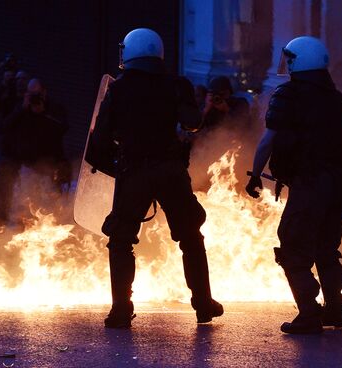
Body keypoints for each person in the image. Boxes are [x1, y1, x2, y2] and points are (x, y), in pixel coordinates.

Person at [88, 28, 223, 328]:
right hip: (170, 171)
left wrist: (114, 168)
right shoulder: (176, 85)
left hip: (135, 171)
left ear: (131, 53)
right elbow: (193, 123)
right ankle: (203, 304)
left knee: (120, 240)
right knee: (190, 236)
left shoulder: (119, 90)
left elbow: (99, 141)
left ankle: (121, 310)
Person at [246, 36, 342, 334]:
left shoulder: (289, 96)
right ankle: (336, 309)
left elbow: (268, 140)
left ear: (299, 61)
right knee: (325, 246)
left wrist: (255, 174)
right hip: (337, 186)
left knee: (293, 245)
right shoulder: (339, 101)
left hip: (309, 183)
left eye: (290, 58)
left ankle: (309, 313)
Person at [0, 78, 69, 224]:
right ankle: (3, 222)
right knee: (22, 201)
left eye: (37, 93)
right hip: (24, 164)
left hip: (47, 165)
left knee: (46, 201)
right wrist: (21, 109)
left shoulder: (54, 109)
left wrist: (43, 113)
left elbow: (62, 129)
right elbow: (3, 127)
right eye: (31, 94)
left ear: (44, 92)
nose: (34, 98)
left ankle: (50, 223)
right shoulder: (20, 108)